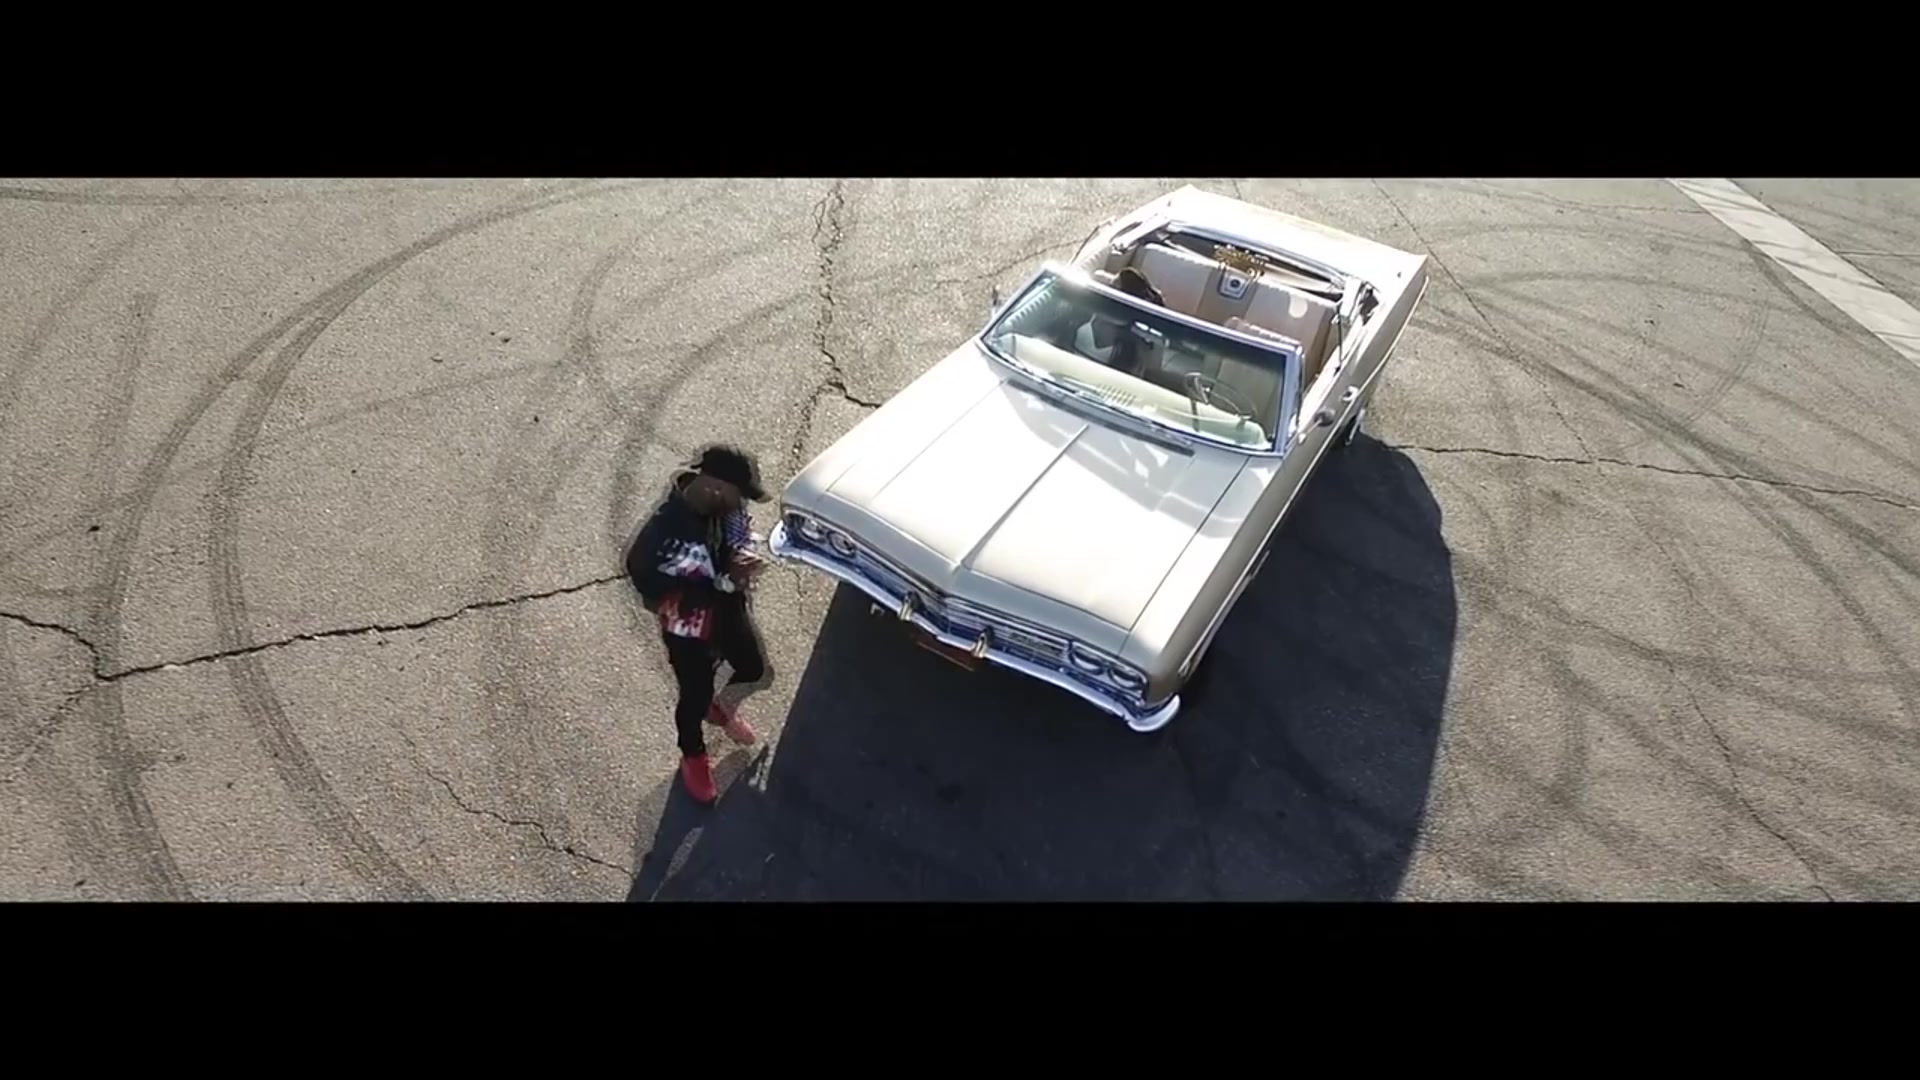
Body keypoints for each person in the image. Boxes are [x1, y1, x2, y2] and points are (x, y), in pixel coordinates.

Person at [625, 444, 774, 805]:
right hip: (687, 627)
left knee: (753, 668)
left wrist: (741, 561)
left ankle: (717, 704)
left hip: (727, 608)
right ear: (715, 487)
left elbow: (735, 539)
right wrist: (719, 582)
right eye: (739, 494)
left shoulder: (725, 509)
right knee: (693, 696)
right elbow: (647, 583)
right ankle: (692, 754)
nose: (742, 503)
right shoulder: (662, 534)